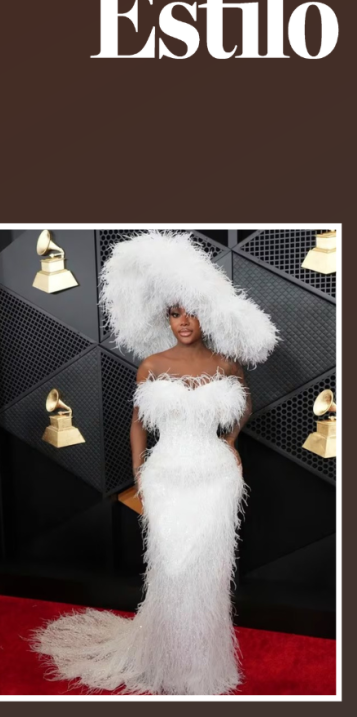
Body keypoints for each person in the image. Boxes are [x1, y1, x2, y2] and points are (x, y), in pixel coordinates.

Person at [30, 230, 280, 694]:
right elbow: (138, 426)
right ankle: (166, 662)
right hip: (165, 476)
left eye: (188, 312)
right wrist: (140, 473)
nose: (182, 321)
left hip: (216, 477)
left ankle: (204, 669)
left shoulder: (227, 365)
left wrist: (231, 443)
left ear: (203, 315)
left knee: (209, 570)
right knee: (172, 566)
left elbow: (243, 407)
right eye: (173, 313)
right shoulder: (150, 364)